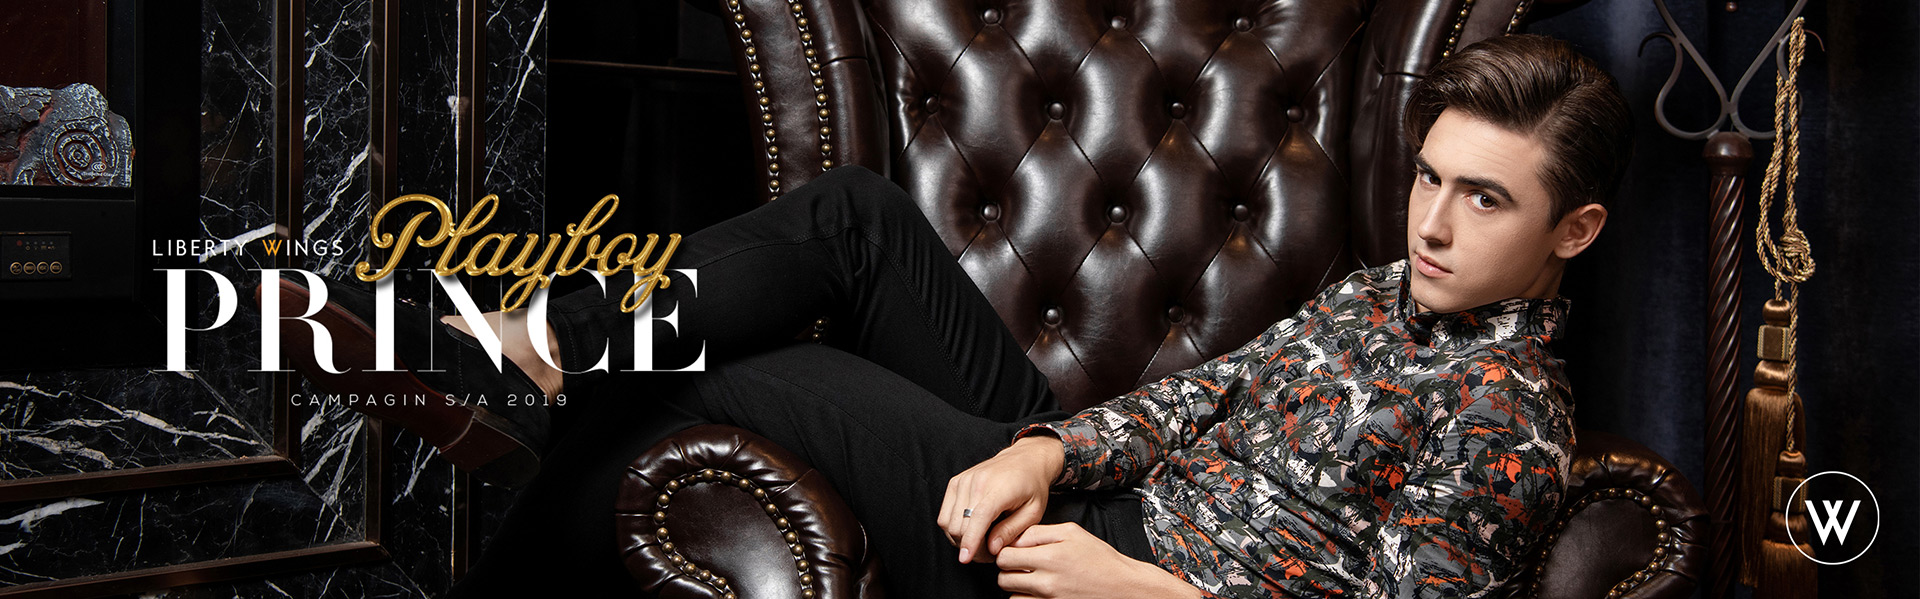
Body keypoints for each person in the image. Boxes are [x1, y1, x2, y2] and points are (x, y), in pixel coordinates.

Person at [264, 34, 1629, 598]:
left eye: (1485, 200)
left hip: (1109, 573)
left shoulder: (1509, 424)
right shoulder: (1382, 295)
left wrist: (1141, 590)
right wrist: (1047, 449)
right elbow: (1198, 398)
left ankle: (518, 426)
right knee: (855, 216)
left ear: (1574, 231)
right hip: (1089, 491)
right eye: (1431, 179)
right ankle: (536, 350)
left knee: (734, 387)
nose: (1434, 223)